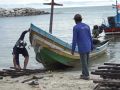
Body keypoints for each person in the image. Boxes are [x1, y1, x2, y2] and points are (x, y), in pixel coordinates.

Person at [71, 14, 93, 80]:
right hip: (88, 45)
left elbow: (74, 39)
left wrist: (72, 49)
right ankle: (84, 73)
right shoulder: (87, 26)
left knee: (83, 62)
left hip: (82, 47)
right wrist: (92, 46)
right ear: (81, 19)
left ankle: (86, 75)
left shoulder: (75, 27)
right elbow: (90, 37)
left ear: (75, 20)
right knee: (86, 61)